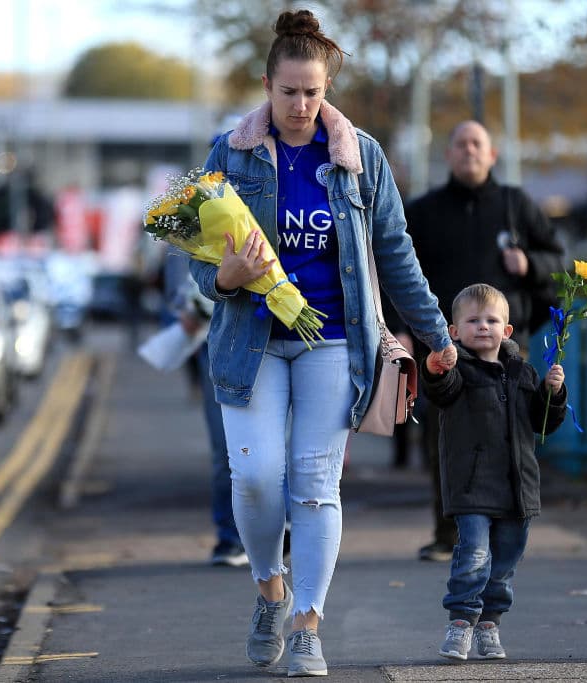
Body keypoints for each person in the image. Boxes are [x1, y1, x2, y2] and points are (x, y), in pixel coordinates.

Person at [188, 9, 457, 677]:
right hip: (250, 341)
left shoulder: (360, 156)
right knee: (253, 480)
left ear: (326, 87)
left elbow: (394, 252)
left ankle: (308, 622)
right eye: (289, 92)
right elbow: (195, 261)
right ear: (266, 84)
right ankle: (268, 588)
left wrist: (436, 332)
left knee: (313, 485)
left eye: (313, 92)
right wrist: (228, 275)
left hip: (333, 341)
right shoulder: (231, 151)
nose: (302, 105)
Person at [405, 120, 565, 562]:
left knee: (508, 436)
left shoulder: (516, 205)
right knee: (445, 437)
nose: (469, 151)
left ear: (492, 155)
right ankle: (448, 534)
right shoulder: (423, 212)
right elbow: (396, 271)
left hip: (509, 351)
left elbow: (559, 263)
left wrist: (529, 263)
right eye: (460, 144)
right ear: (449, 155)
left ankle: (503, 529)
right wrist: (401, 327)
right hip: (443, 346)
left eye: (477, 144)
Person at [421, 283, 566, 661]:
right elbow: (441, 391)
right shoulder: (459, 370)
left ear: (507, 331)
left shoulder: (523, 371)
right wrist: (435, 370)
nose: (483, 327)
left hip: (517, 487)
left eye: (492, 320)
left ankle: (490, 623)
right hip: (470, 486)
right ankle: (460, 622)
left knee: (505, 558)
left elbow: (544, 423)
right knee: (473, 554)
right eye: (472, 320)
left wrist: (554, 394)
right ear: (455, 331)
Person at [163, 249, 248, 567]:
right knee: (226, 449)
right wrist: (188, 309)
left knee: (281, 445)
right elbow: (176, 289)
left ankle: (283, 525)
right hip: (214, 345)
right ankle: (231, 538)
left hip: (269, 340)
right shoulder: (186, 214)